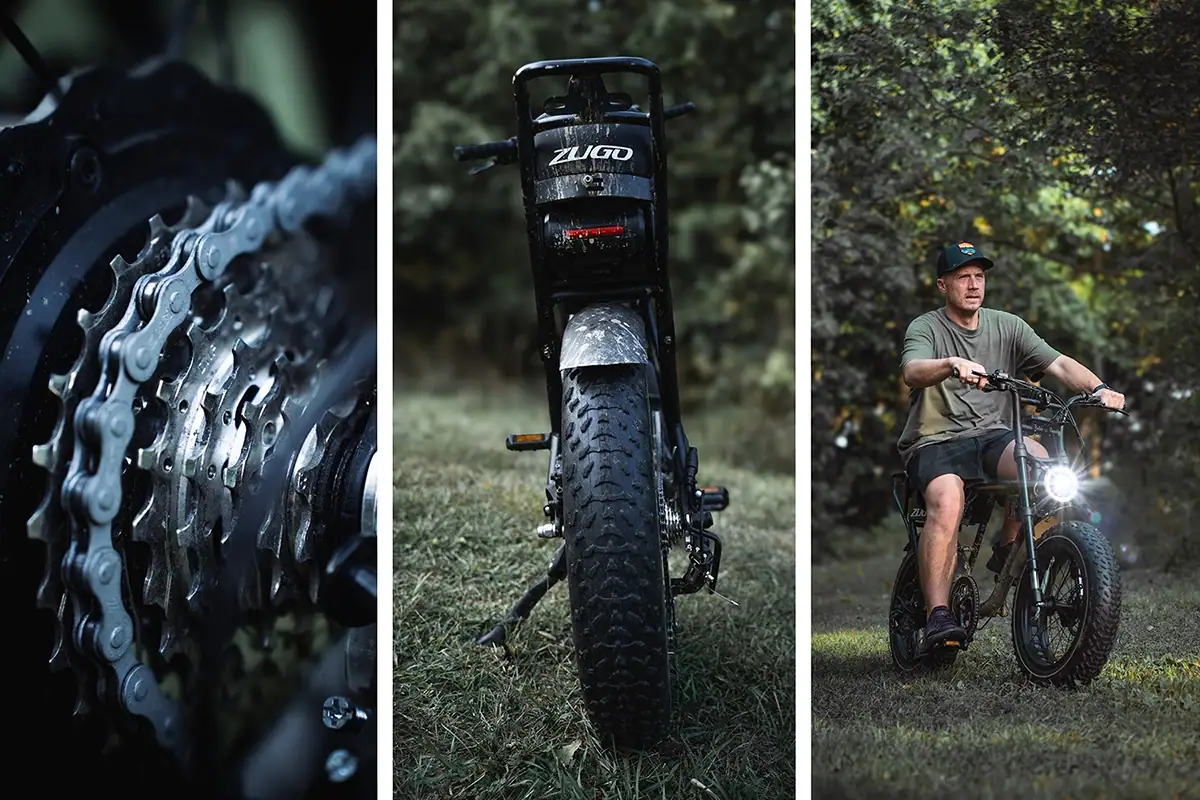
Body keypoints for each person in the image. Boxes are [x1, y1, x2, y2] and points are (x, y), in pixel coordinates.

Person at [897, 241, 1125, 649]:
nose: (973, 285)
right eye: (963, 277)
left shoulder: (1008, 326)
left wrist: (1099, 388)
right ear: (943, 285)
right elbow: (912, 371)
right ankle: (938, 616)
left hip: (993, 436)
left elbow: (1058, 363)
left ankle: (1007, 547)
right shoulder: (926, 328)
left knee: (1041, 463)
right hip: (936, 440)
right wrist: (951, 364)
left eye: (979, 277)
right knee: (947, 501)